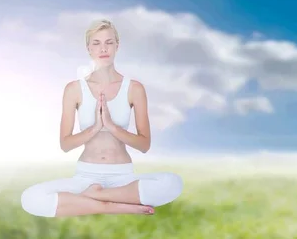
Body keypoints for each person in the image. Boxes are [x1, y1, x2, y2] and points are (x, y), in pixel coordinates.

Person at [20, 20, 183, 217]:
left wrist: (112, 127)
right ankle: (114, 205)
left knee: (173, 183)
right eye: (96, 43)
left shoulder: (134, 88)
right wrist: (95, 127)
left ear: (117, 46)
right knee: (29, 199)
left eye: (109, 42)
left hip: (123, 177)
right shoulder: (74, 89)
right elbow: (65, 144)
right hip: (85, 177)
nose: (103, 48)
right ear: (89, 48)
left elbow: (144, 145)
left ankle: (96, 198)